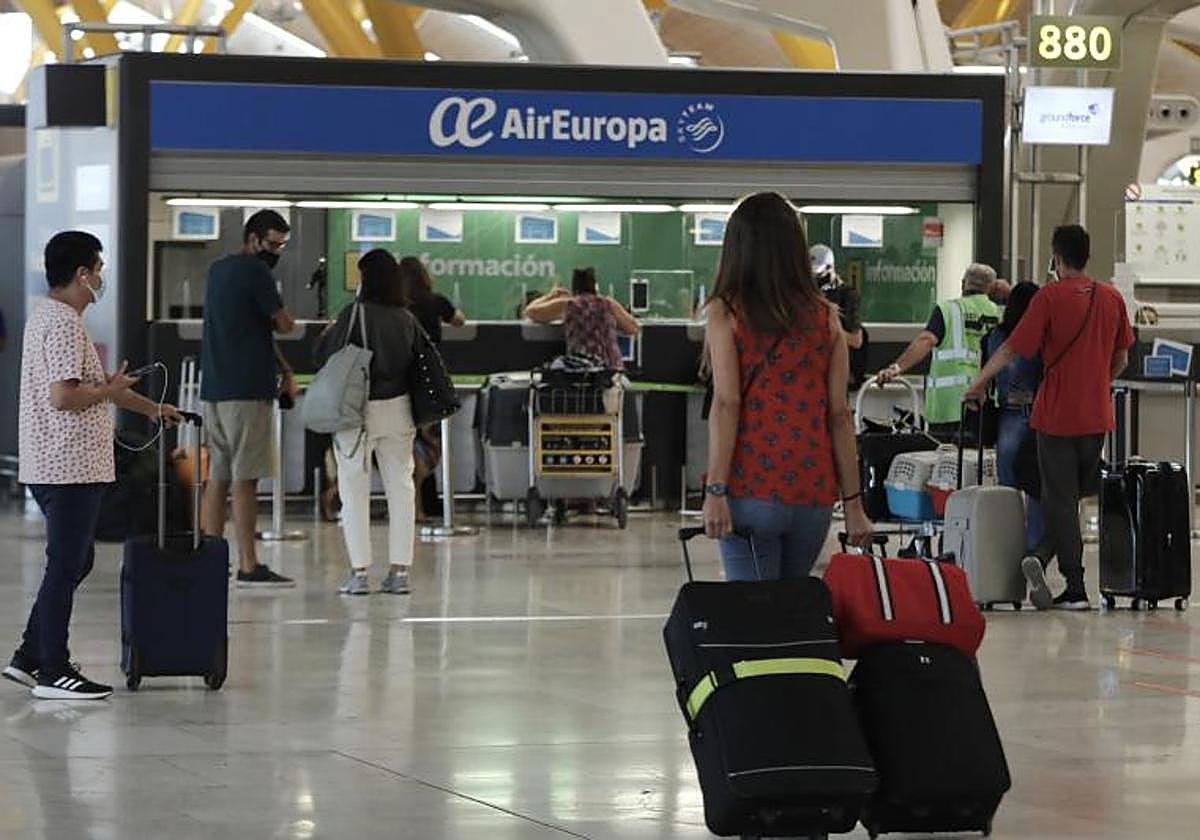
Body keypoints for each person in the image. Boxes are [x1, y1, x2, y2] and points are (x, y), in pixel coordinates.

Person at [4, 231, 182, 700]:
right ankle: (53, 670)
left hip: (58, 462)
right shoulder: (63, 322)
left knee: (75, 560)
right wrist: (106, 391)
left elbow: (97, 385)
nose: (100, 278)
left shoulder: (49, 316)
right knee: (66, 564)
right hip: (69, 465)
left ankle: (28, 657)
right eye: (98, 269)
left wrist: (151, 408)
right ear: (82, 273)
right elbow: (67, 397)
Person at [701, 192, 873, 579]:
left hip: (751, 487)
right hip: (812, 495)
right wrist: (854, 505)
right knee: (791, 612)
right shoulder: (826, 317)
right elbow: (840, 415)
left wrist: (715, 491)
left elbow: (727, 404)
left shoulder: (726, 311)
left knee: (757, 618)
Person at [965, 225, 1134, 611]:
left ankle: (1074, 588)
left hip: (1056, 416)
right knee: (1073, 496)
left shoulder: (1048, 298)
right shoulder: (1110, 297)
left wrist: (978, 383)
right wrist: (1097, 383)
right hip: (1097, 416)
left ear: (1056, 258)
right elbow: (1122, 357)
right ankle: (1040, 557)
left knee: (1059, 501)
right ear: (1086, 256)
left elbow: (1012, 349)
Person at [200, 209, 298, 589]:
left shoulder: (217, 270)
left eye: (282, 245)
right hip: (247, 391)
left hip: (215, 390)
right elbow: (284, 324)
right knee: (245, 479)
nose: (276, 251)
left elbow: (252, 333)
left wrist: (285, 369)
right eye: (273, 243)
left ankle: (211, 558)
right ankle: (249, 563)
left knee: (218, 477)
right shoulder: (257, 273)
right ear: (253, 238)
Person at [315, 250, 422, 596]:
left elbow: (322, 353)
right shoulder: (406, 317)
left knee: (354, 489)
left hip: (358, 410)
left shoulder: (353, 314)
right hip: (400, 409)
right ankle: (399, 573)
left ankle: (359, 573)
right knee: (402, 488)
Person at [876, 263, 1000, 438]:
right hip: (987, 404)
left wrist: (895, 368)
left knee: (946, 461)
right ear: (991, 288)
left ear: (963, 283)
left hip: (949, 406)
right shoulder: (1000, 313)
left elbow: (926, 340)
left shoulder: (948, 309)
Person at [983, 281, 1044, 556]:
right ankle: (1032, 552)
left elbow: (989, 373)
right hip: (1036, 415)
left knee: (1007, 491)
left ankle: (1006, 552)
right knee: (1037, 489)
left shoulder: (996, 335)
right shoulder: (1039, 337)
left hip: (1006, 416)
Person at [525, 267, 640, 370]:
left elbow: (530, 311)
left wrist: (551, 296)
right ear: (595, 286)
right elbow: (634, 328)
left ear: (574, 288)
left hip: (582, 371)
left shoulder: (568, 305)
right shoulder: (609, 304)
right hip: (611, 370)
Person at [810, 244, 867, 390]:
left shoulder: (846, 296)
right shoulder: (807, 294)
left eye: (820, 275)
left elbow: (856, 340)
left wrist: (828, 323)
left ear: (831, 269)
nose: (817, 280)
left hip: (836, 370)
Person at [400, 256, 464, 344]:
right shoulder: (436, 300)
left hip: (402, 352)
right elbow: (459, 321)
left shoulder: (397, 303)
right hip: (429, 352)